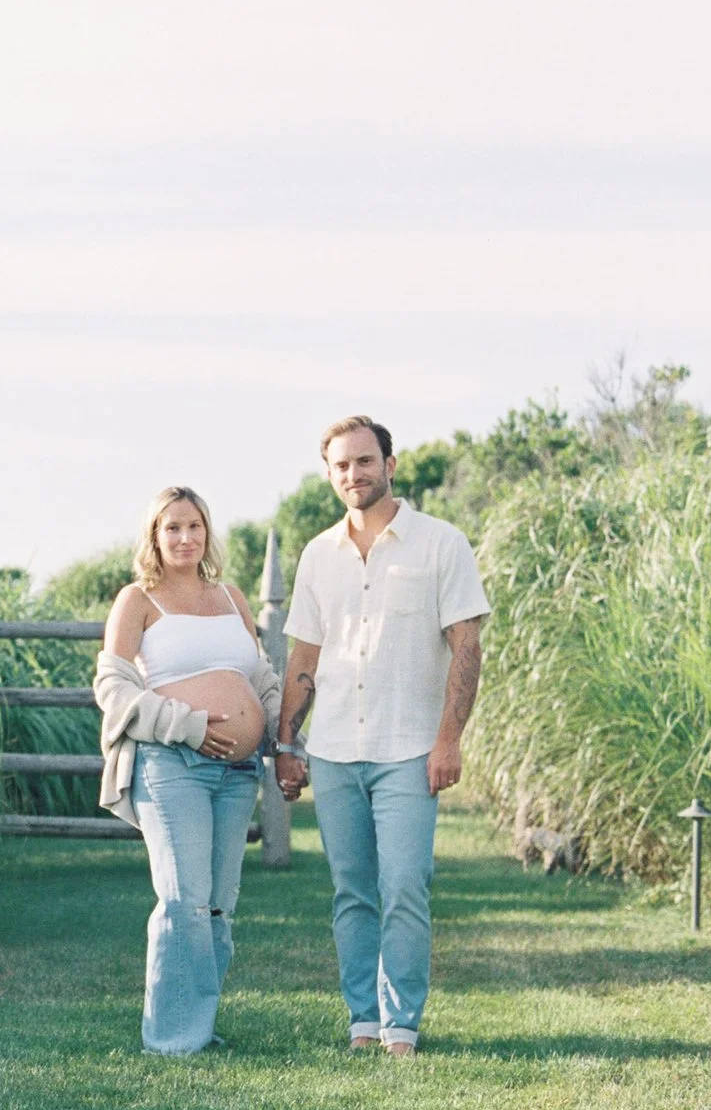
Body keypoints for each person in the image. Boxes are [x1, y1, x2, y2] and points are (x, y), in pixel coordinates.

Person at [274, 415, 489, 1058]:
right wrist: (289, 745)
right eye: (341, 465)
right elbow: (303, 659)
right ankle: (362, 1023)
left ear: (389, 465)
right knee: (352, 892)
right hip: (336, 749)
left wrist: (448, 740)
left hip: (408, 747)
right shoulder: (317, 554)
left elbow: (467, 648)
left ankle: (402, 1026)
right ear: (330, 474)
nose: (353, 475)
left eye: (364, 462)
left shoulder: (440, 544)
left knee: (403, 887)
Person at [95, 486, 283, 1056]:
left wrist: (283, 740)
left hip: (236, 772)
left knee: (219, 903)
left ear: (208, 532)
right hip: (170, 763)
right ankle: (172, 1039)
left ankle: (197, 1025)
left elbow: (262, 681)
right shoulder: (138, 599)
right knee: (183, 898)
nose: (184, 538)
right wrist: (191, 727)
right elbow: (113, 687)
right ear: (154, 535)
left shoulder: (231, 598)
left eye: (194, 526)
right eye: (172, 527)